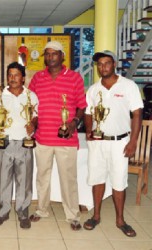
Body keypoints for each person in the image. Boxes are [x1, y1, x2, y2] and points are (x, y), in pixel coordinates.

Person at [28, 41, 87, 231]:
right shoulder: (37, 78)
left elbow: (81, 106)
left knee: (68, 178)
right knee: (42, 176)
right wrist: (32, 123)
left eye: (55, 54)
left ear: (62, 56)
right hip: (42, 138)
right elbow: (31, 106)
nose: (50, 57)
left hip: (66, 139)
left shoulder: (75, 78)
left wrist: (73, 123)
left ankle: (72, 215)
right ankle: (42, 210)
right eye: (47, 54)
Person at [83, 50, 143, 237]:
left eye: (107, 63)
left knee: (119, 181)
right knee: (97, 179)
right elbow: (88, 112)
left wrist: (133, 141)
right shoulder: (94, 89)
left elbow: (137, 113)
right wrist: (88, 131)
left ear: (114, 64)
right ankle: (96, 216)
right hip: (98, 143)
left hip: (120, 142)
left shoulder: (128, 86)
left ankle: (120, 220)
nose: (103, 67)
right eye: (99, 64)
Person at [0, 62, 38, 229]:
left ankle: (23, 211)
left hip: (24, 143)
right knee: (3, 178)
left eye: (16, 75)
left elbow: (35, 116)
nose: (13, 78)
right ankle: (3, 211)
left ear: (23, 78)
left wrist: (33, 124)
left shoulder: (31, 95)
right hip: (5, 143)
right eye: (10, 75)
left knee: (24, 179)